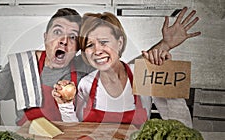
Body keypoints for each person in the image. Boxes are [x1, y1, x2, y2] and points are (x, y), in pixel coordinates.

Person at [0, 7, 200, 126]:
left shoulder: (88, 67)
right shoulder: (20, 66)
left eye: (73, 37)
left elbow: (127, 70)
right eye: (57, 33)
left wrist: (165, 45)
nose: (63, 41)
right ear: (46, 36)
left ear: (78, 47)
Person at [52, 12, 198, 127]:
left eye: (104, 42)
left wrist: (167, 72)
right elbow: (76, 133)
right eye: (90, 45)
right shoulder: (86, 84)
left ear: (119, 43)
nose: (97, 51)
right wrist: (65, 106)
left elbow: (182, 126)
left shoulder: (143, 75)